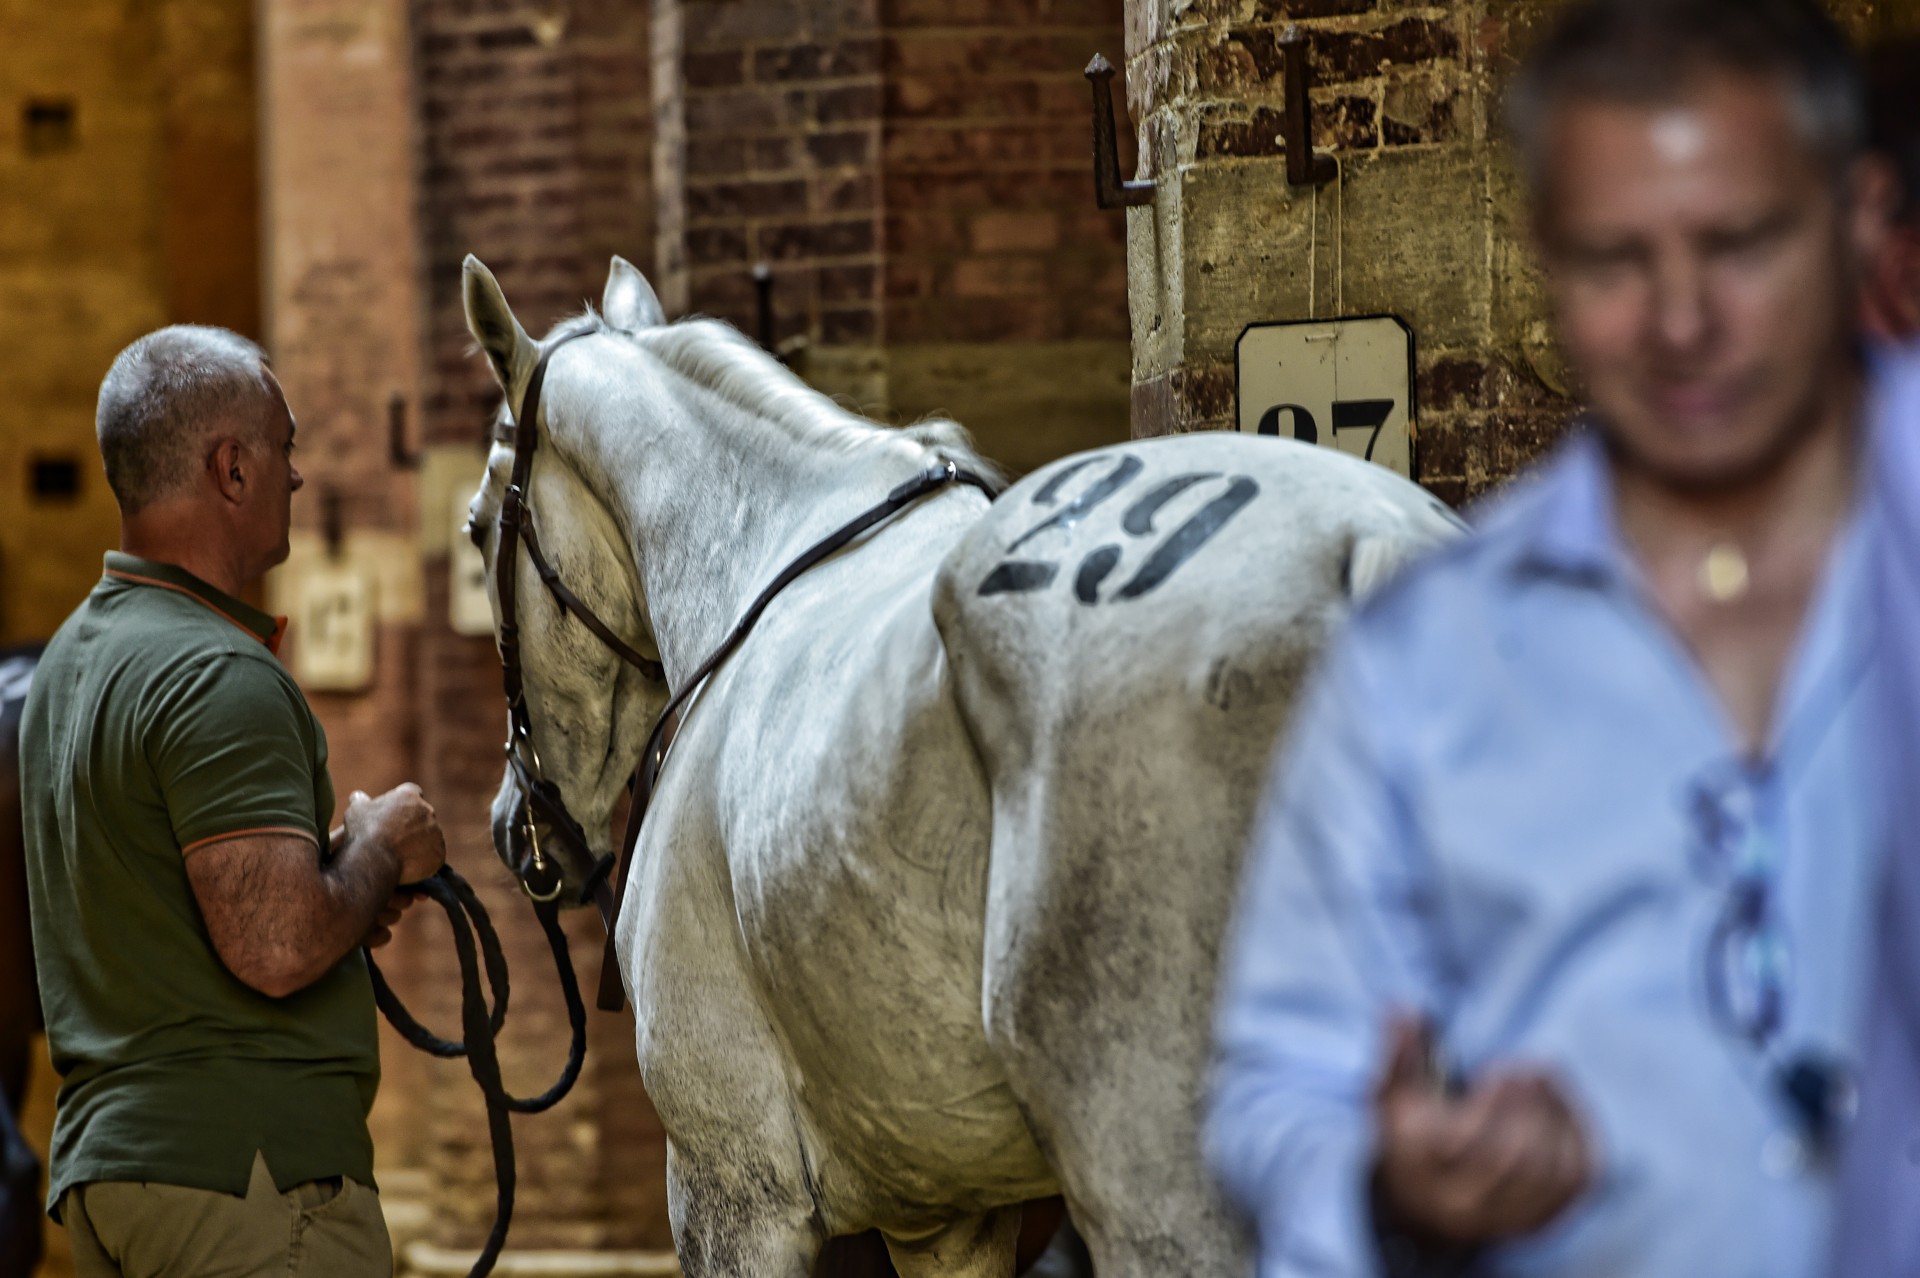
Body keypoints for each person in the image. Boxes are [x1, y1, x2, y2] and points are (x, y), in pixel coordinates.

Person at [1204, 1, 1898, 1275]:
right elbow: (1276, 1089)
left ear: (1854, 220)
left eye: (1738, 243)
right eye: (1615, 259)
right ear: (1548, 261)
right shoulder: (1427, 659)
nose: (1681, 319)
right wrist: (1393, 1187)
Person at [19, 326, 447, 1278]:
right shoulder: (218, 672)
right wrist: (379, 846)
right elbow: (278, 944)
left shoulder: (68, 665)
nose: (298, 477)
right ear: (233, 468)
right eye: (286, 447)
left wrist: (331, 877)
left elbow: (168, 902)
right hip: (253, 1188)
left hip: (119, 1180)